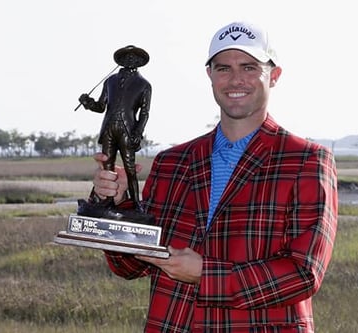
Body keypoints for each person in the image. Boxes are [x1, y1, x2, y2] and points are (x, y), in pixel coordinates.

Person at [91, 21, 338, 332]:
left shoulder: (306, 160)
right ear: (209, 75)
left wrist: (206, 274)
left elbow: (304, 274)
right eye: (223, 68)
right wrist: (119, 204)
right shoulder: (171, 163)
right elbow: (129, 265)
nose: (236, 79)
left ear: (273, 76)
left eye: (249, 67)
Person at [79, 45, 152, 214]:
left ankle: (136, 204)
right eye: (127, 57)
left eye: (134, 58)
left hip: (128, 130)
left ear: (140, 62)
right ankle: (108, 202)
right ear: (121, 60)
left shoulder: (144, 85)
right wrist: (88, 103)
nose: (130, 60)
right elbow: (100, 106)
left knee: (130, 168)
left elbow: (144, 113)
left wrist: (137, 133)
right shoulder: (110, 81)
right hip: (109, 128)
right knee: (107, 166)